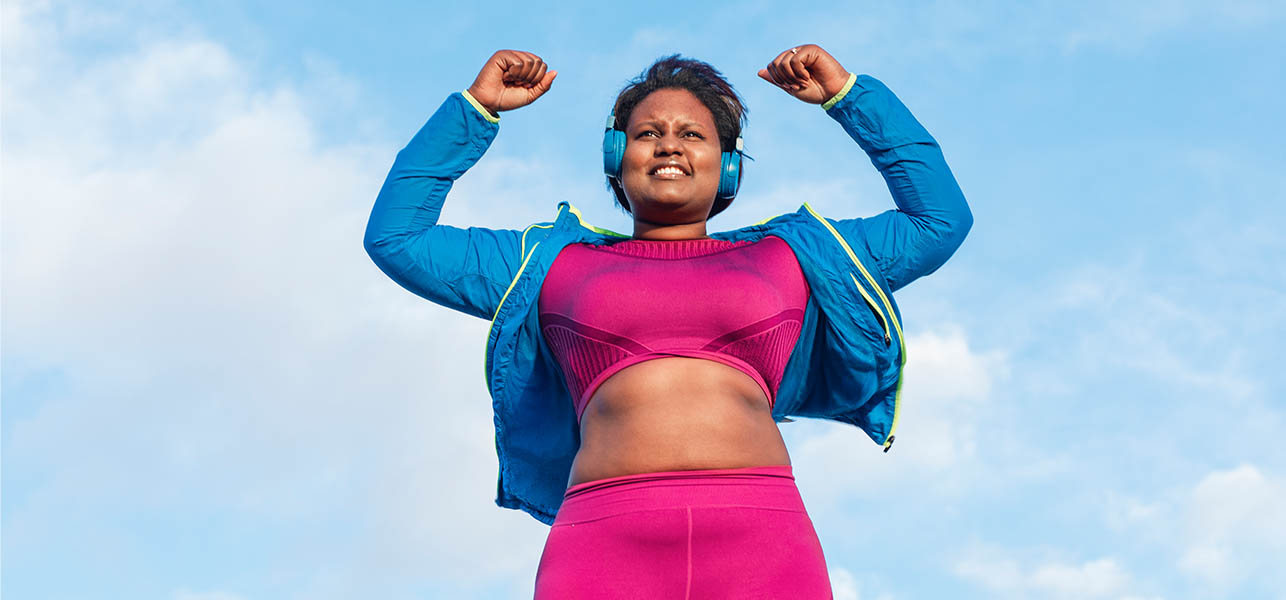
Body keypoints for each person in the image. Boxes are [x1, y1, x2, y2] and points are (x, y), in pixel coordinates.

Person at [364, 44, 971, 599]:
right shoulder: (547, 262)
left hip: (762, 538)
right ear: (617, 157)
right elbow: (397, 237)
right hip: (602, 540)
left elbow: (939, 220)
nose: (669, 146)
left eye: (693, 134)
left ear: (727, 165)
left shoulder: (796, 256)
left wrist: (849, 97)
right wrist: (476, 110)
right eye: (647, 133)